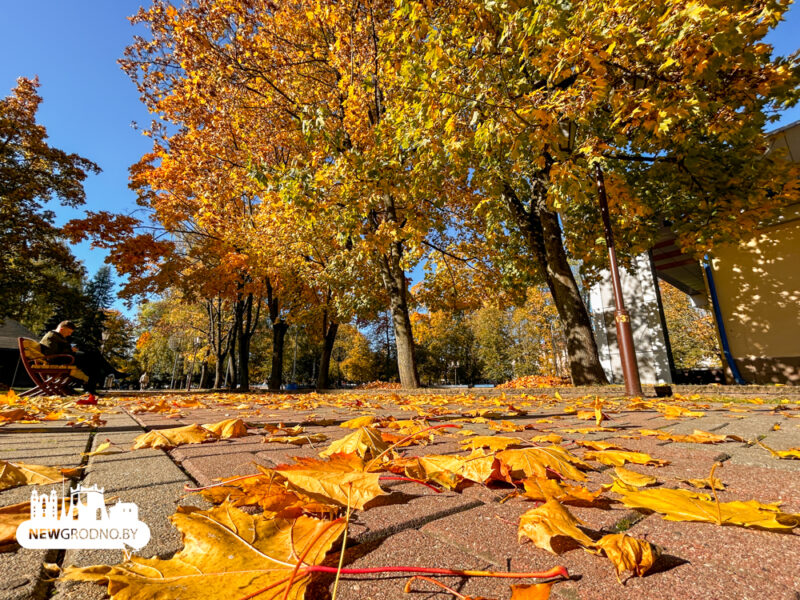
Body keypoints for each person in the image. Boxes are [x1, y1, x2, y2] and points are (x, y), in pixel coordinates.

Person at [39, 320, 122, 395]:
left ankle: (92, 387)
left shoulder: (58, 336)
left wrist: (70, 350)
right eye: (69, 332)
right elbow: (51, 355)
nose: (69, 334)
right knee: (94, 356)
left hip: (67, 357)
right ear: (62, 329)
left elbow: (60, 350)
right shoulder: (51, 336)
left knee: (94, 359)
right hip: (62, 360)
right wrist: (70, 351)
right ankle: (111, 373)